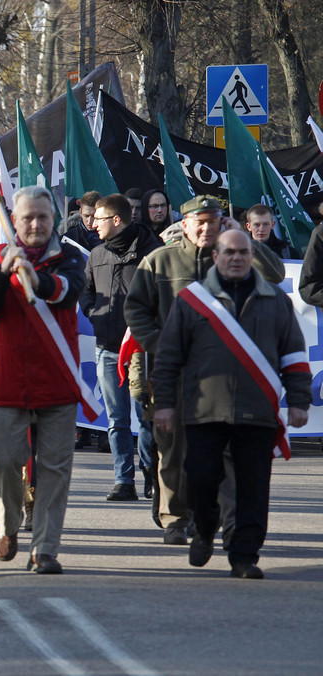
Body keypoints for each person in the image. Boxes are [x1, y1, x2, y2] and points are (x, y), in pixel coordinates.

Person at [124, 194, 285, 546]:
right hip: (174, 373)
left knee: (219, 452)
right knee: (173, 450)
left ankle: (209, 518)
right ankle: (175, 518)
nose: (207, 228)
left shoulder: (232, 258)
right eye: (201, 222)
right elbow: (136, 310)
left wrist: (240, 238)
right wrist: (158, 345)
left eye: (214, 221)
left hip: (221, 376)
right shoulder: (159, 262)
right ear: (185, 225)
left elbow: (276, 274)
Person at [151, 229, 310, 579]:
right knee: (201, 480)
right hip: (204, 411)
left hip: (257, 412)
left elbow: (294, 354)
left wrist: (299, 400)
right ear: (217, 256)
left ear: (251, 255)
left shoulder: (275, 301)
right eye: (229, 252)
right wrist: (163, 403)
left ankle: (244, 556)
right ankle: (205, 530)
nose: (237, 258)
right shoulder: (192, 300)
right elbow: (168, 358)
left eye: (243, 252)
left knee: (253, 489)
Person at [0, 185, 88, 575]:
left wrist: (39, 280)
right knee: (2, 461)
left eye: (43, 217)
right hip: (7, 380)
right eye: (27, 218)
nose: (35, 224)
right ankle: (8, 526)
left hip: (56, 378)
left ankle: (46, 548)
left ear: (54, 220)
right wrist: (4, 274)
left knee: (55, 467)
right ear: (13, 221)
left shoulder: (68, 257)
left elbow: (68, 292)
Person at [80, 193, 162, 501]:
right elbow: (86, 291)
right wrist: (93, 312)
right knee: (115, 420)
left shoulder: (152, 252)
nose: (93, 225)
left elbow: (161, 297)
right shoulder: (96, 254)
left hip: (143, 349)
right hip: (107, 348)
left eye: (98, 219)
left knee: (146, 417)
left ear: (116, 220)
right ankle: (122, 480)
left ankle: (151, 473)